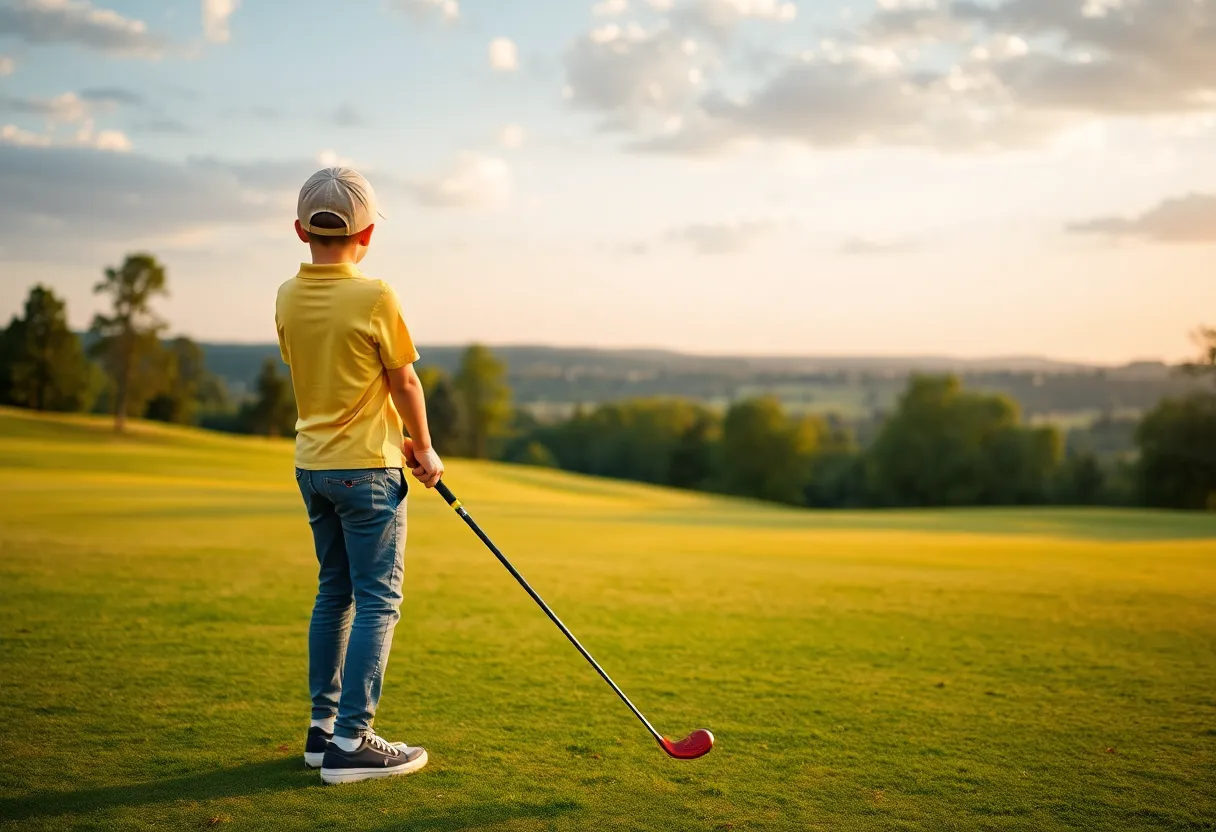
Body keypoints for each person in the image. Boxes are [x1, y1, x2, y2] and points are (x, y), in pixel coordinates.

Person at [275, 167, 444, 785]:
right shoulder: (376, 296)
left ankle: (322, 734)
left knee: (334, 593)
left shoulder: (286, 296)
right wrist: (423, 449)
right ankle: (353, 741)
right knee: (378, 599)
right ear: (367, 232)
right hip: (368, 474)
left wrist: (387, 436)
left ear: (300, 230)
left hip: (314, 469)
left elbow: (331, 382)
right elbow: (402, 380)